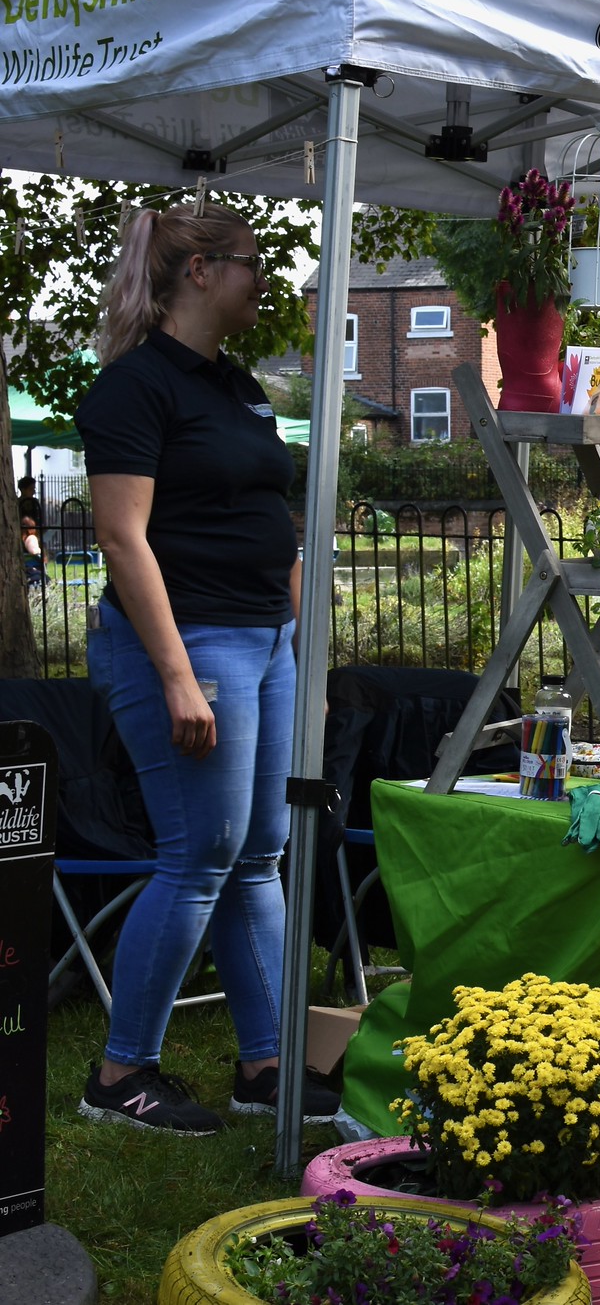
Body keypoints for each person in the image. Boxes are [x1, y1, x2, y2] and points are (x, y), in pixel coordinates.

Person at [73, 201, 339, 1134]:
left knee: (258, 851)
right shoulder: (135, 390)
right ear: (199, 272)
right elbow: (120, 536)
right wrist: (180, 674)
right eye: (251, 265)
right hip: (191, 643)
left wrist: (301, 643)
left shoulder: (239, 389)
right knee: (199, 856)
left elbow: (276, 520)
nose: (263, 281)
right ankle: (118, 1076)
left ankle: (264, 1065)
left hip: (263, 639)